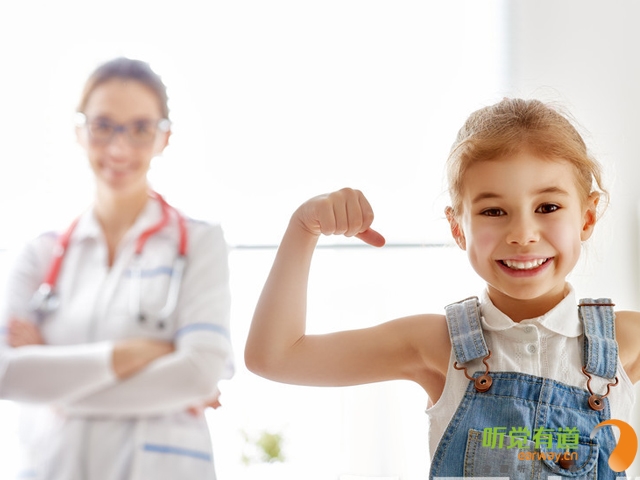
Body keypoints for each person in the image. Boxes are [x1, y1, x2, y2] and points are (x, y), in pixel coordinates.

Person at [245, 98, 640, 478]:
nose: (522, 234)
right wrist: (303, 228)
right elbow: (275, 357)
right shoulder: (436, 344)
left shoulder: (628, 339)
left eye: (548, 207)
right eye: (493, 211)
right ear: (457, 228)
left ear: (587, 217)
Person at [0, 57, 233, 480]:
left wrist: (55, 380)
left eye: (140, 128)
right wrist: (133, 354)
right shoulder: (39, 255)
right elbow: (6, 376)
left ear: (164, 138)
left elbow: (199, 375)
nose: (119, 148)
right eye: (103, 125)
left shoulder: (201, 242)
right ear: (79, 131)